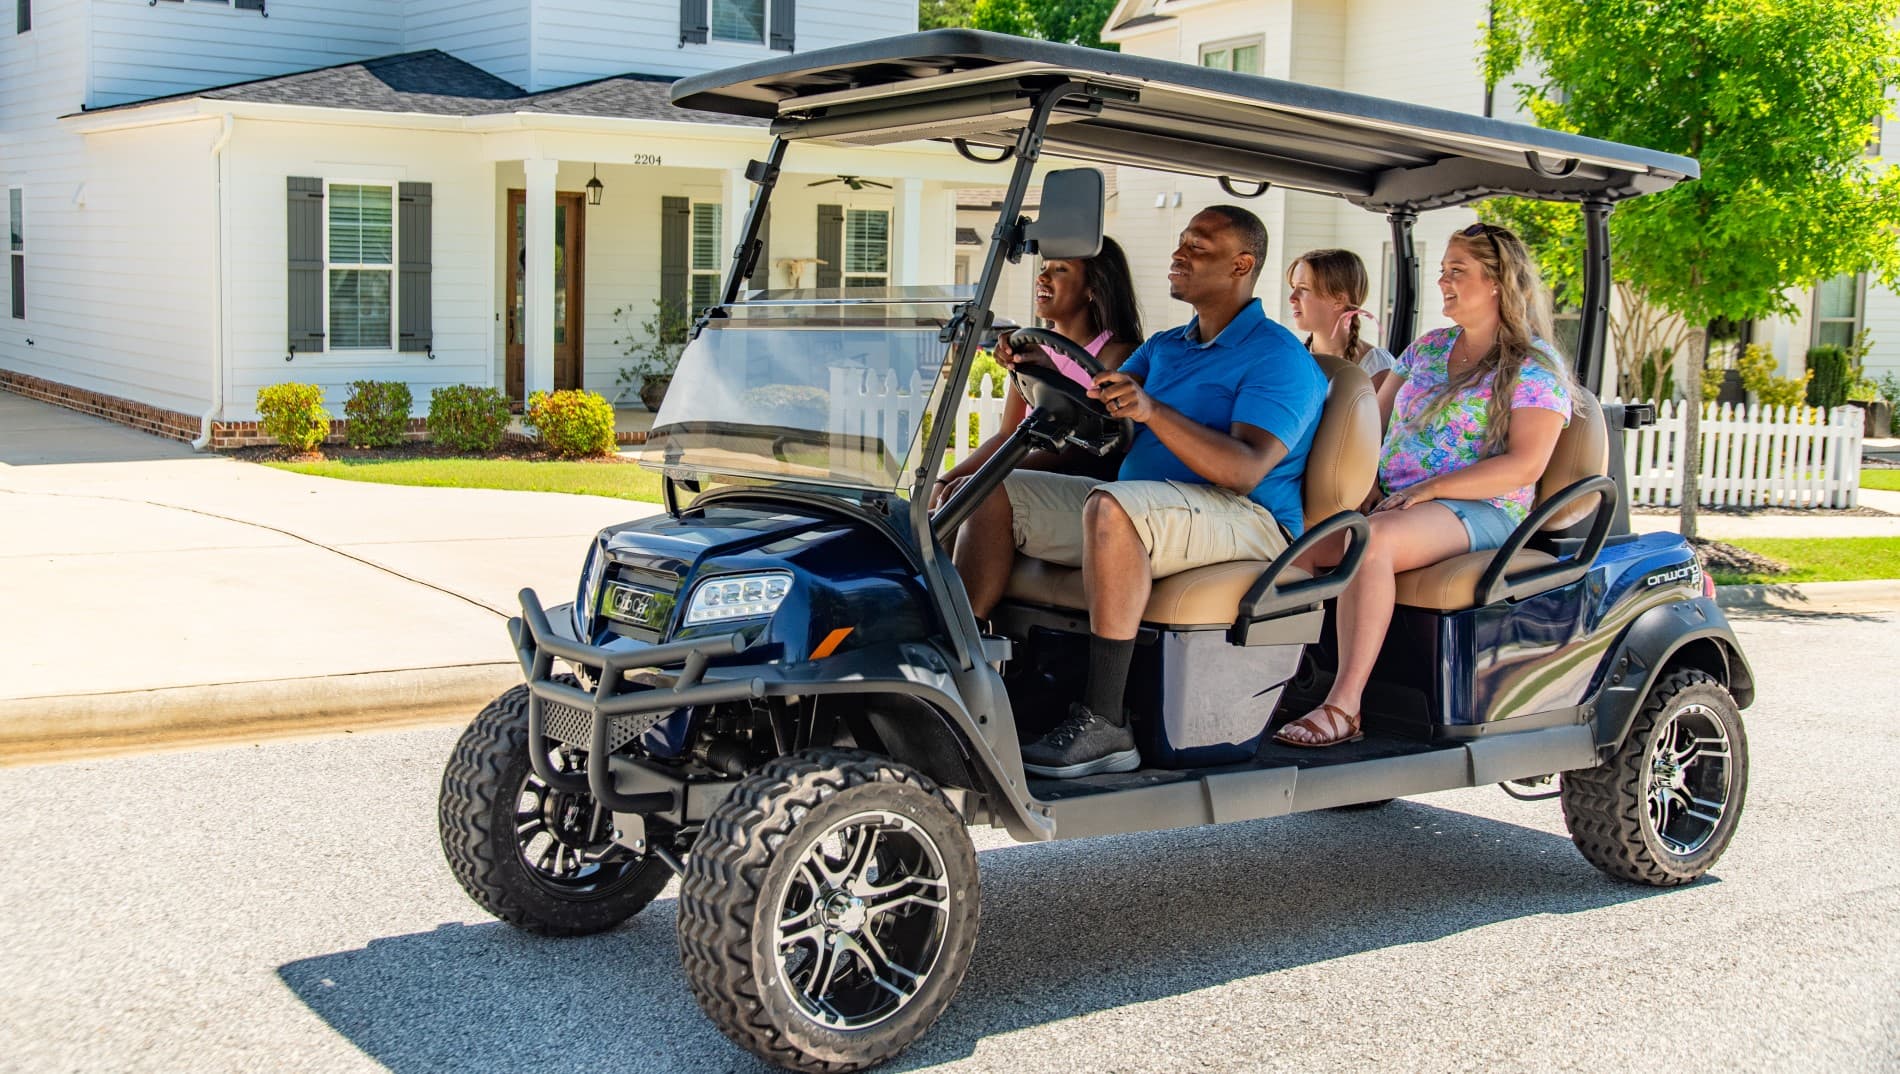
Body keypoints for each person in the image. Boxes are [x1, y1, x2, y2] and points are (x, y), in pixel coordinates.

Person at [953, 205, 1326, 778]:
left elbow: (1245, 469)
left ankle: (1105, 721)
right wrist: (1033, 366)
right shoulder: (1168, 345)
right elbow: (1098, 409)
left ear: (1241, 265)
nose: (1179, 255)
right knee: (996, 490)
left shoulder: (1279, 357)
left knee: (1112, 507)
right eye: (1181, 242)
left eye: (1198, 247)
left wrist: (1153, 409)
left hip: (1247, 518)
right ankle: (964, 664)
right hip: (1155, 506)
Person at [1274, 222, 1573, 747]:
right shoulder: (1428, 349)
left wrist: (1429, 491)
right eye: (1442, 272)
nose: (1444, 283)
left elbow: (1525, 465)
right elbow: (1368, 424)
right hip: (1403, 502)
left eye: (1457, 272)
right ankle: (1273, 686)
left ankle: (1344, 707)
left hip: (1481, 508)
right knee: (1290, 539)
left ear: (1498, 281)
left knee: (1374, 541)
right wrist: (1360, 482)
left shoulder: (1533, 365)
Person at [932, 239, 1143, 505]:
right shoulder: (1031, 347)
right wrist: (944, 482)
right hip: (1020, 479)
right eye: (1044, 267)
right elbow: (1006, 435)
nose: (1042, 277)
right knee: (942, 500)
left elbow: (1090, 448)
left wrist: (989, 479)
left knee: (970, 498)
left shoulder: (1118, 355)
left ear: (1093, 288)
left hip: (1076, 488)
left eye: (1060, 270)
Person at [1286, 248, 1398, 391]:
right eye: (1293, 287)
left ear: (1339, 300)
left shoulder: (1375, 367)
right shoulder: (1292, 358)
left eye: (1304, 288)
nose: (1292, 298)